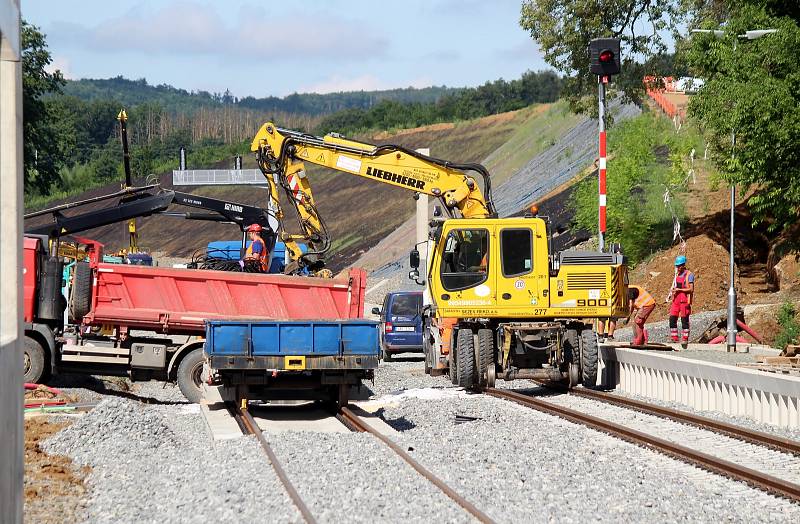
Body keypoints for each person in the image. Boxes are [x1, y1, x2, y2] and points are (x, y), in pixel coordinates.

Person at [668, 255, 694, 348]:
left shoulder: (689, 275)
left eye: (679, 266)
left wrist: (680, 290)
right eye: (677, 266)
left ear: (683, 265)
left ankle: (685, 339)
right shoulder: (677, 275)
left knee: (684, 320)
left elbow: (691, 289)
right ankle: (674, 338)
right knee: (672, 319)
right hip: (676, 301)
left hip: (684, 301)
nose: (678, 268)